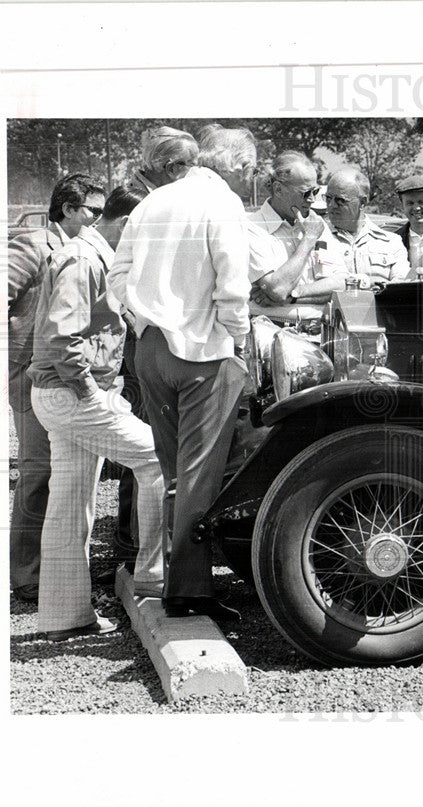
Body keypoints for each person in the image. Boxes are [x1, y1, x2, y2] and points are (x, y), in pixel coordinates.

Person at [109, 126, 257, 624]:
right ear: (230, 166)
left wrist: (140, 320)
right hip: (202, 351)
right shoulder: (223, 203)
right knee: (198, 477)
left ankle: (174, 578)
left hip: (151, 348)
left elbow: (117, 273)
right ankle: (189, 589)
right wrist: (238, 340)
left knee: (175, 473)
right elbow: (233, 283)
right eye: (248, 169)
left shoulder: (152, 203)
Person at [29, 187, 165, 640]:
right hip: (73, 394)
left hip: (61, 393)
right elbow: (63, 335)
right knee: (157, 459)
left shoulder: (87, 255)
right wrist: (91, 392)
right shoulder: (86, 259)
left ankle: (65, 617)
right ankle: (152, 575)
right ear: (127, 224)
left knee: (69, 506)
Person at [8, 172, 106, 604]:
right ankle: (27, 574)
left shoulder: (84, 248)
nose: (99, 222)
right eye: (93, 212)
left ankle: (56, 571)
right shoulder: (32, 245)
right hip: (32, 374)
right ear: (68, 209)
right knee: (38, 473)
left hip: (61, 375)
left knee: (65, 475)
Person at [109, 126, 198, 586]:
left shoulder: (153, 196)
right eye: (188, 167)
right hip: (147, 341)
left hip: (156, 339)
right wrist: (142, 320)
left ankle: (143, 545)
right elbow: (122, 273)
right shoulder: (141, 201)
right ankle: (134, 546)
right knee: (146, 449)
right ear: (170, 167)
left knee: (155, 447)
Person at [285, 168, 409, 303]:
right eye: (328, 198)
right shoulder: (313, 238)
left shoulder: (391, 242)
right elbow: (298, 287)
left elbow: (400, 288)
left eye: (340, 200)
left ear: (363, 202)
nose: (331, 206)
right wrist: (370, 283)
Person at [246, 150, 334, 318]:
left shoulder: (316, 224)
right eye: (306, 193)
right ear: (278, 189)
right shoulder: (252, 228)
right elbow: (278, 290)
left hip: (322, 330)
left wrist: (293, 297)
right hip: (271, 330)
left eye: (315, 192)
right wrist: (309, 239)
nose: (312, 200)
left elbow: (342, 283)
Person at [125, 125, 199, 197]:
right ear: (171, 169)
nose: (196, 172)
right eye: (192, 166)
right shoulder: (134, 200)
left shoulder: (156, 196)